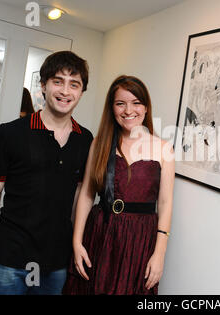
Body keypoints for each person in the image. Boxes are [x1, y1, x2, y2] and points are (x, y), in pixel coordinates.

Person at [0, 51, 93, 295]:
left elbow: (80, 197)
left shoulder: (86, 140)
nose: (65, 91)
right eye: (58, 81)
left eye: (74, 84)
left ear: (81, 92)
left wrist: (75, 243)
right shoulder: (10, 134)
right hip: (9, 258)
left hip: (56, 263)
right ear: (43, 85)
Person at [62, 75, 175, 295]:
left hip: (139, 239)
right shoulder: (100, 143)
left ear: (145, 107)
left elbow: (165, 203)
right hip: (100, 232)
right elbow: (86, 195)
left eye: (136, 103)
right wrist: (77, 242)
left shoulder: (163, 149)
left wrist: (159, 254)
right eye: (120, 103)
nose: (128, 110)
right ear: (112, 108)